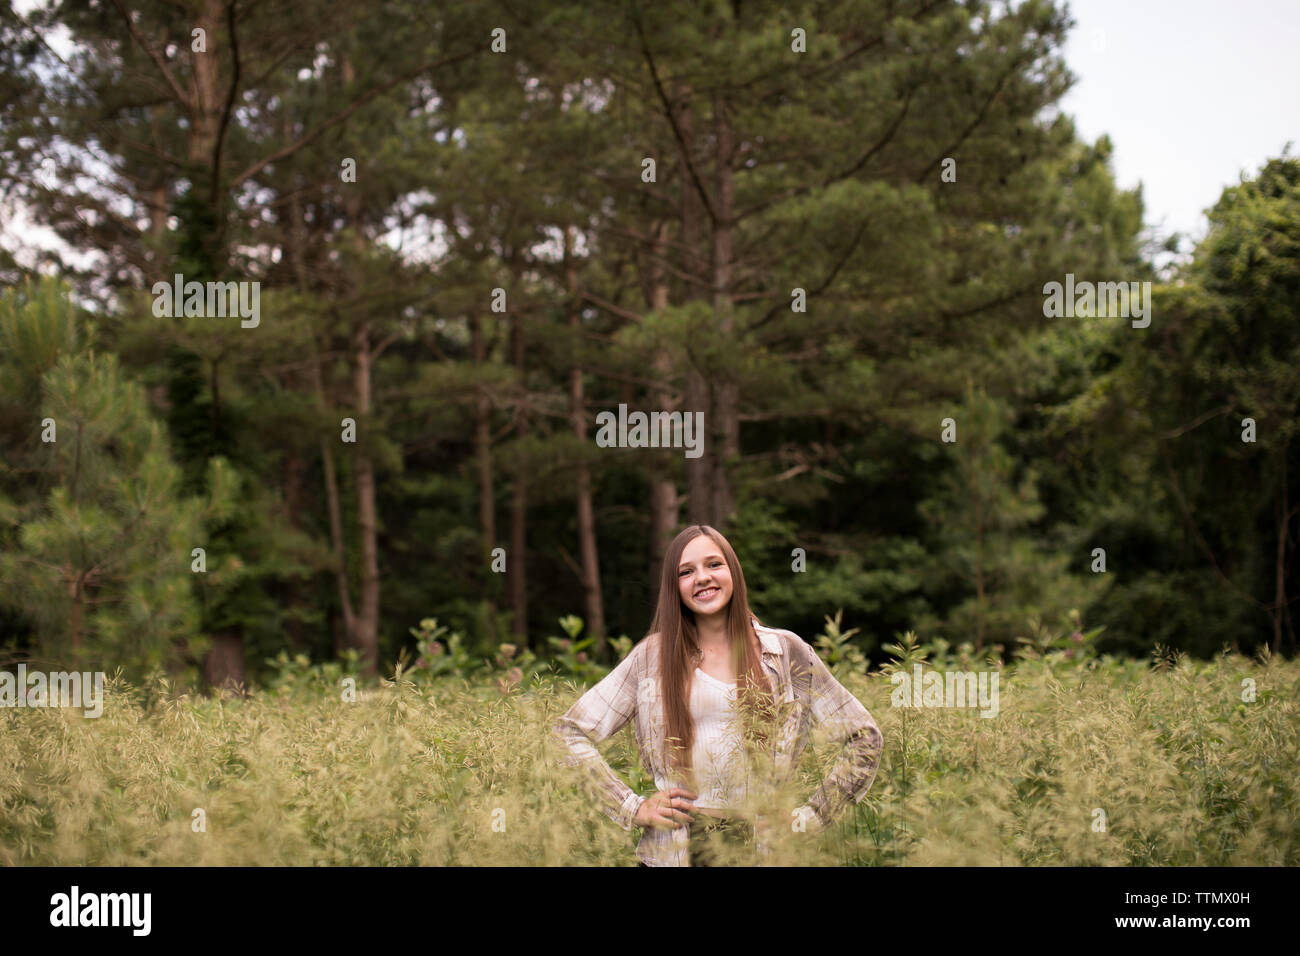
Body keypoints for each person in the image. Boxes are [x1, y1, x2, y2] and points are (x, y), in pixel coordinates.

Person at [551, 524, 884, 866]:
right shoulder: (651, 658)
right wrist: (631, 807)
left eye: (714, 564)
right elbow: (568, 733)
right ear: (674, 587)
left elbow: (864, 738)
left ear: (733, 573)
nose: (702, 578)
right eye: (686, 571)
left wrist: (809, 818)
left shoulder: (786, 652)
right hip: (674, 852)